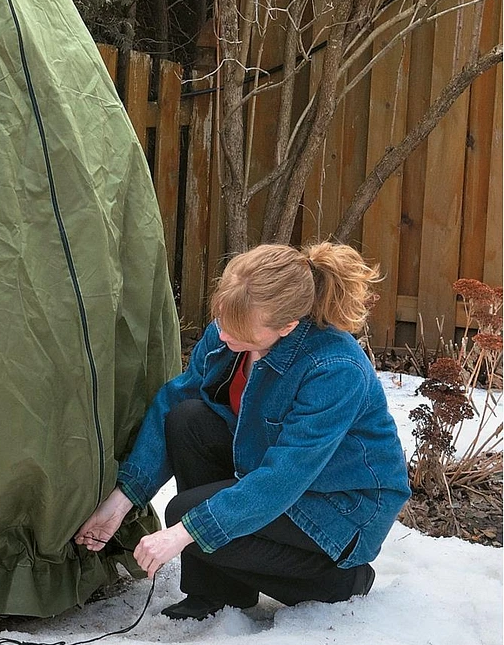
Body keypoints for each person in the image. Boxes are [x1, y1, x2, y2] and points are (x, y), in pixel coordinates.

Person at [75, 242, 411, 620]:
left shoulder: (334, 368)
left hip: (339, 507)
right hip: (270, 471)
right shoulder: (230, 331)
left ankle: (336, 582)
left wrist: (186, 533)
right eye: (222, 321)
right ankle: (216, 594)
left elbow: (285, 477)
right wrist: (120, 502)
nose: (222, 338)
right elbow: (175, 400)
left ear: (287, 327)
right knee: (188, 419)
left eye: (240, 332)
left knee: (187, 514)